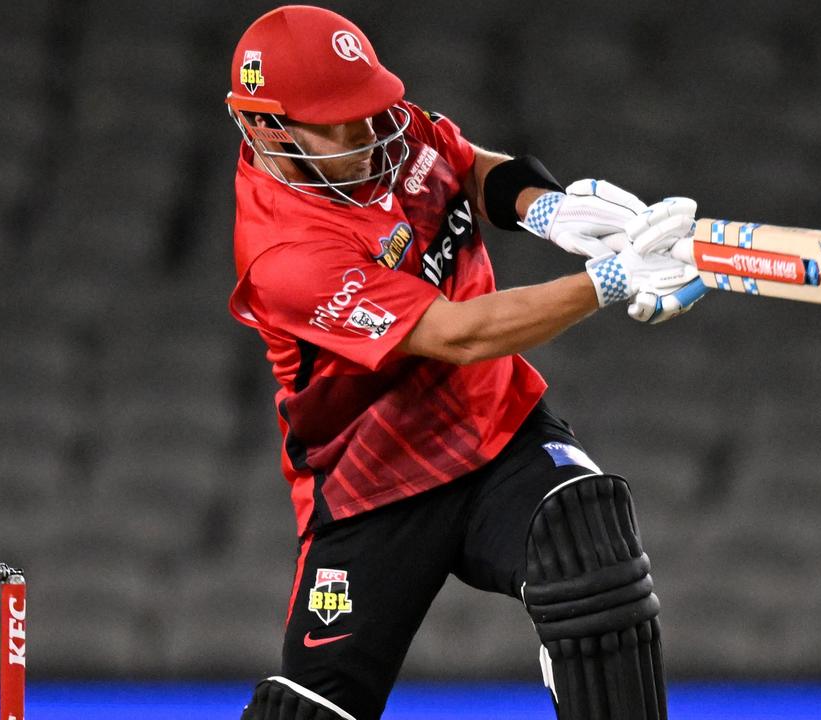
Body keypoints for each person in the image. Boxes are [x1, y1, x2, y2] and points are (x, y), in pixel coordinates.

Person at [224, 6, 707, 720]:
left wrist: (548, 211)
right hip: (374, 488)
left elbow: (464, 164)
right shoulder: (285, 256)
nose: (368, 136)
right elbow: (459, 334)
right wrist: (609, 280)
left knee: (589, 544)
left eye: (370, 109)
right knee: (314, 711)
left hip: (499, 430)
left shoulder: (382, 127)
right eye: (339, 123)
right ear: (267, 127)